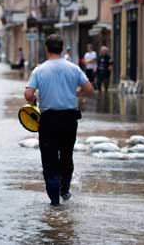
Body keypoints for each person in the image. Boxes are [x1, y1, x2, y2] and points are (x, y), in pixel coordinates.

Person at [24, 34, 93, 206]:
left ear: (46, 48)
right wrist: (75, 93)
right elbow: (89, 89)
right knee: (67, 156)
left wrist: (33, 101)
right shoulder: (74, 68)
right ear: (62, 49)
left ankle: (54, 200)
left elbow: (28, 94)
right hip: (70, 119)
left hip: (48, 120)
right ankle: (65, 190)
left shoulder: (39, 70)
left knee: (49, 158)